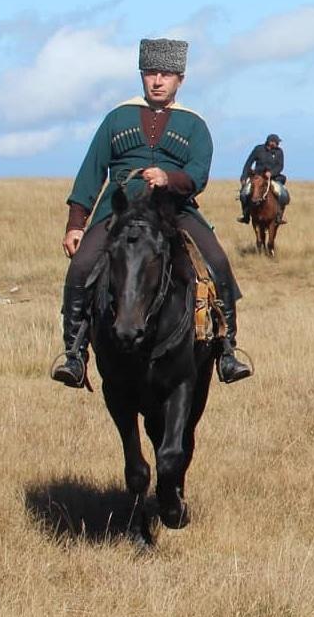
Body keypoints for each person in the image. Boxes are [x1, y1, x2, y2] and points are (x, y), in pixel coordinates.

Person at [51, 38, 252, 388]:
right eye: (150, 73)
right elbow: (91, 171)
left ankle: (227, 349)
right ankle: (74, 352)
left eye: (166, 74)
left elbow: (198, 174)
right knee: (82, 266)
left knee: (218, 262)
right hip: (119, 212)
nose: (157, 81)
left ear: (180, 79)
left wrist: (168, 178)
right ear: (142, 76)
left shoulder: (195, 125)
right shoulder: (117, 117)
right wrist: (76, 223)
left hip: (176, 211)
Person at [238, 133, 290, 223]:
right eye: (276, 142)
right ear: (270, 142)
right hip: (257, 177)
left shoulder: (279, 152)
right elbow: (248, 163)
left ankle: (279, 215)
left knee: (283, 193)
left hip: (273, 178)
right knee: (244, 193)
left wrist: (271, 173)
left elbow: (280, 166)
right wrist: (244, 177)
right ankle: (245, 215)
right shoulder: (258, 149)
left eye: (278, 143)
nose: (277, 144)